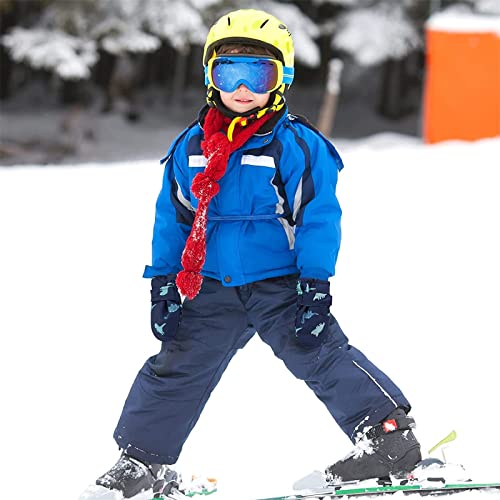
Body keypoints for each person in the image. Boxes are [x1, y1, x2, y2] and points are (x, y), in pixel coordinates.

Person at [89, 9, 422, 499]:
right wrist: (163, 281)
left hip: (280, 283)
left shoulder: (296, 145)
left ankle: (389, 438)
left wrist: (314, 282)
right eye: (228, 73)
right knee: (177, 364)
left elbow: (318, 216)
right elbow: (172, 218)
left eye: (258, 74)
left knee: (319, 353)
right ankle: (141, 461)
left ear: (281, 78)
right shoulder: (191, 146)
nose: (242, 88)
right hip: (210, 284)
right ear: (210, 78)